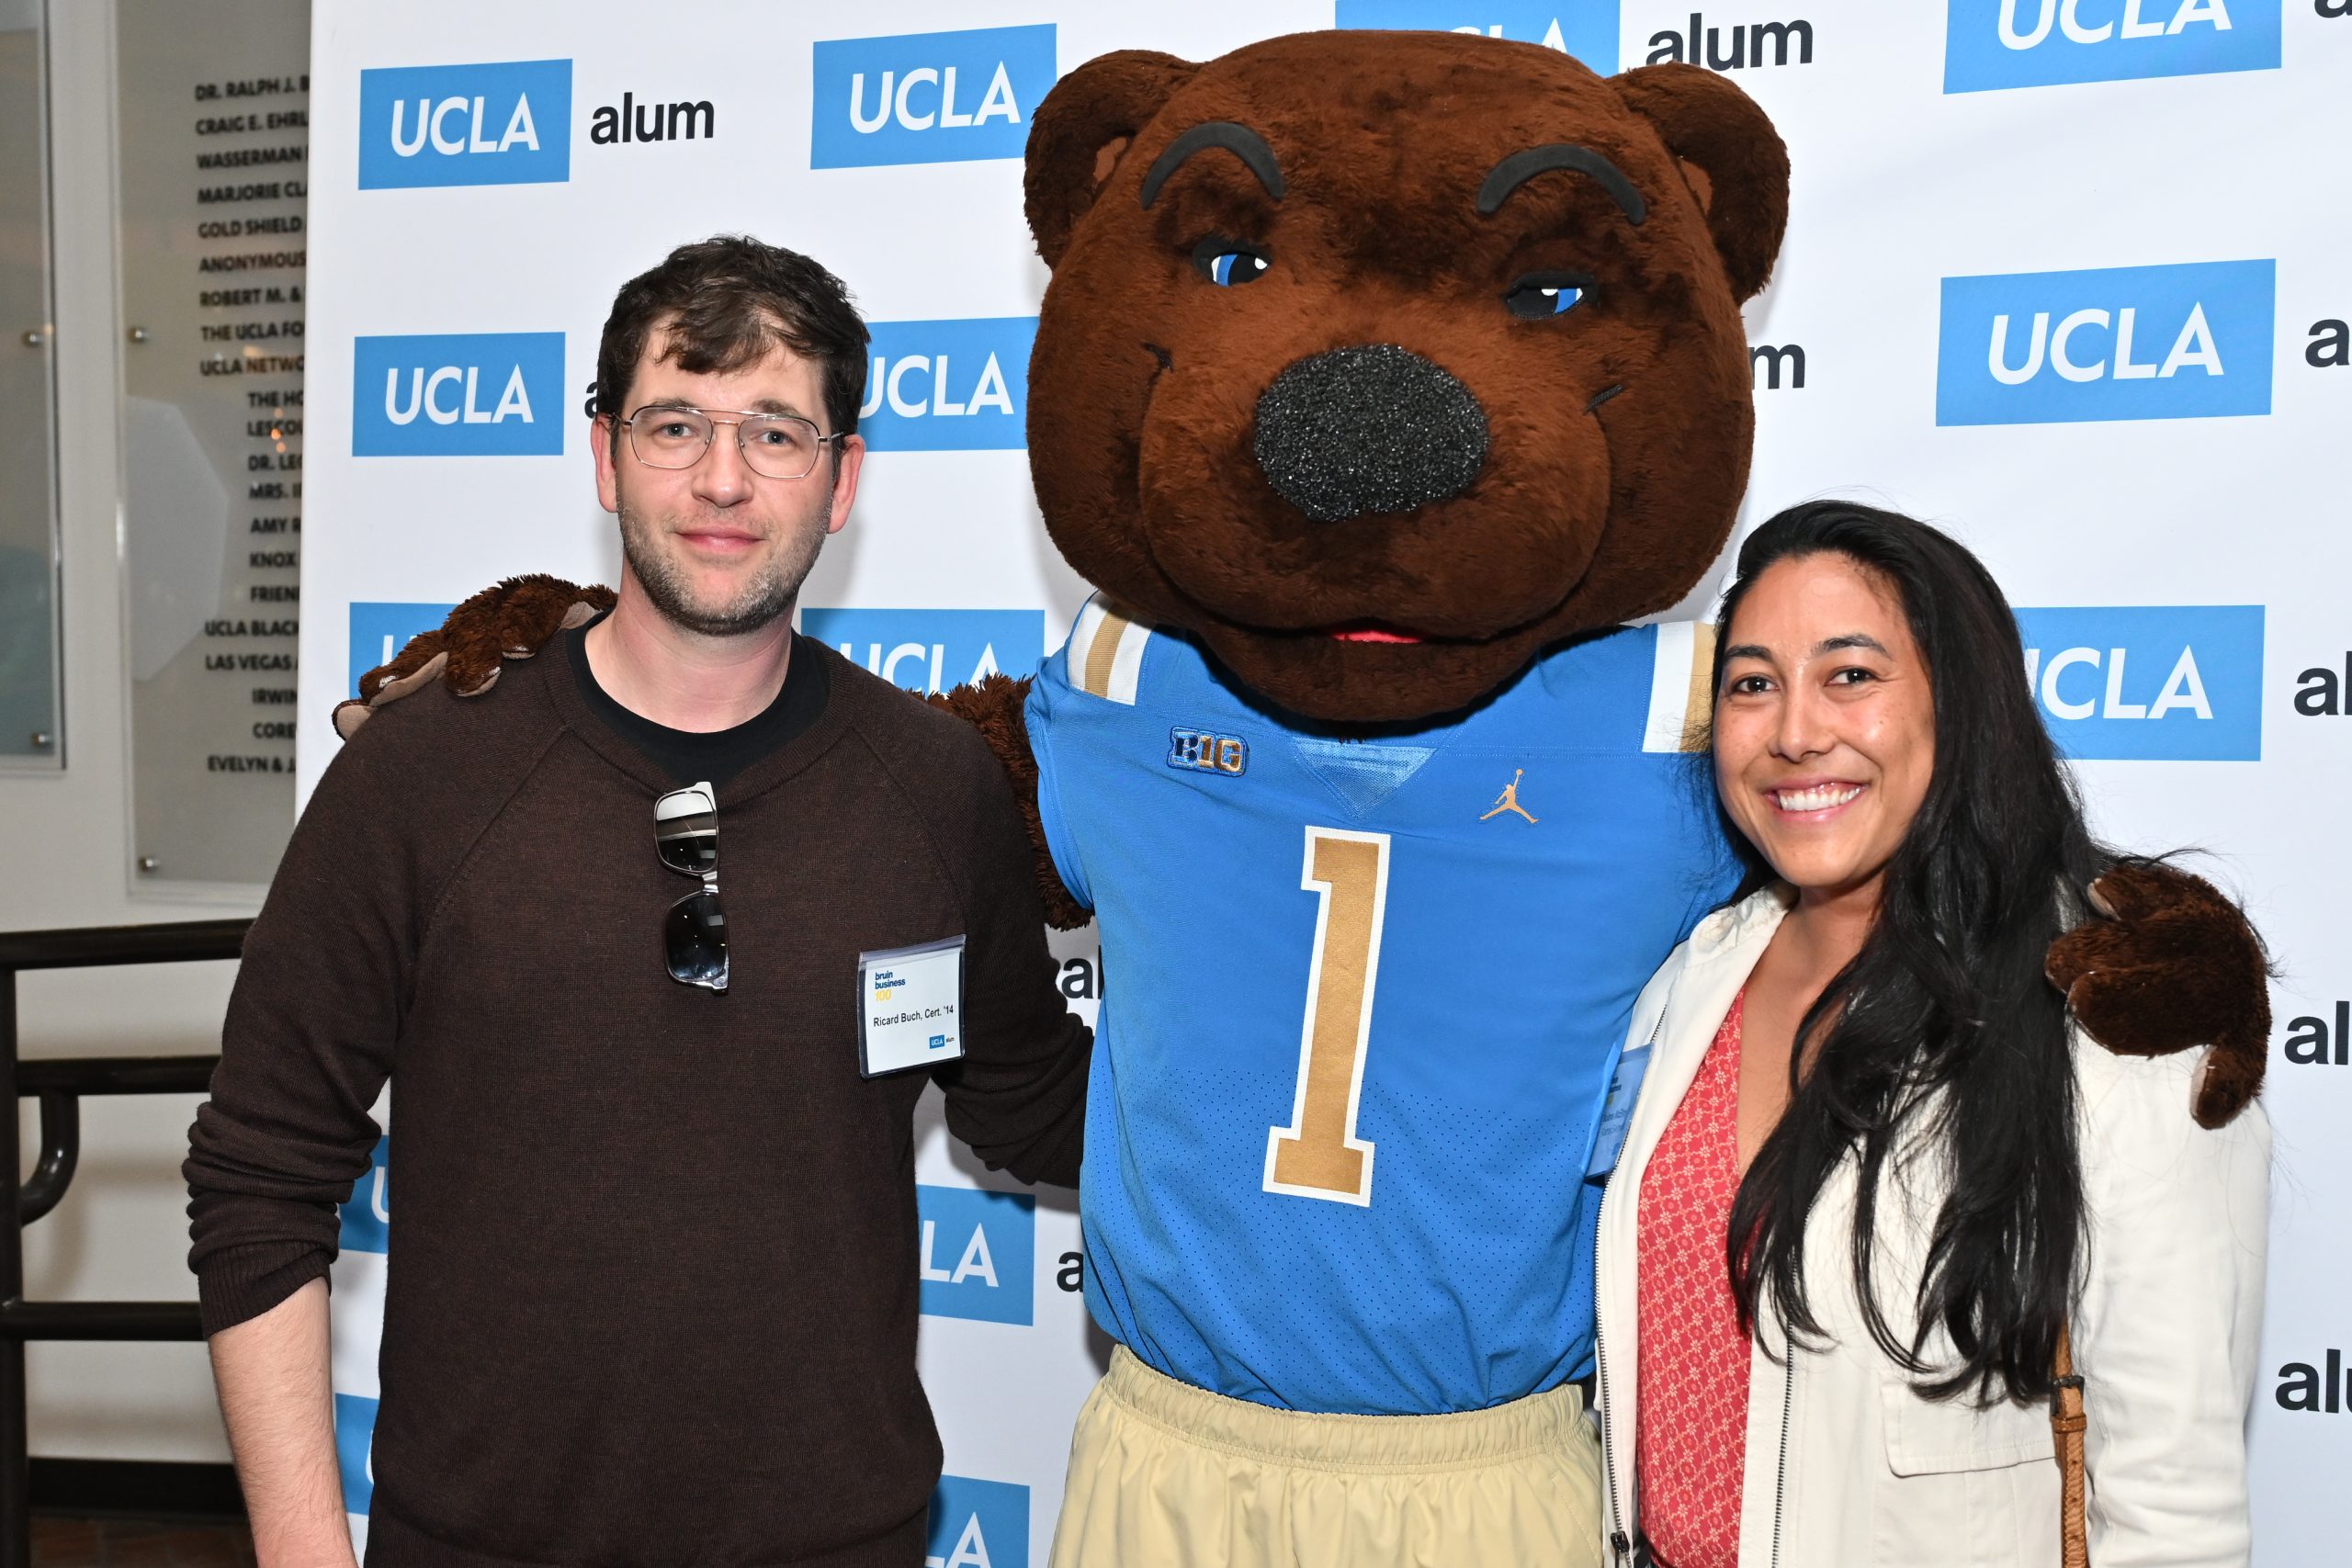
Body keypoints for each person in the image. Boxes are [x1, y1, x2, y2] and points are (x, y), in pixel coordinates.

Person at [184, 235, 1092, 1568]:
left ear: (842, 478)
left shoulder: (935, 786)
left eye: (775, 432)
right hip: (480, 1543)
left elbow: (1034, 1099)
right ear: (606, 456)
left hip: (839, 1539)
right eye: (676, 425)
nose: (722, 479)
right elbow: (260, 1171)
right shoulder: (423, 774)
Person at [1590, 501, 2270, 1567]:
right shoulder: (1691, 972)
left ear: (1960, 704)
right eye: (1752, 684)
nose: (1793, 731)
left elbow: (2174, 1511)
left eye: (1850, 675)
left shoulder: (2111, 1013)